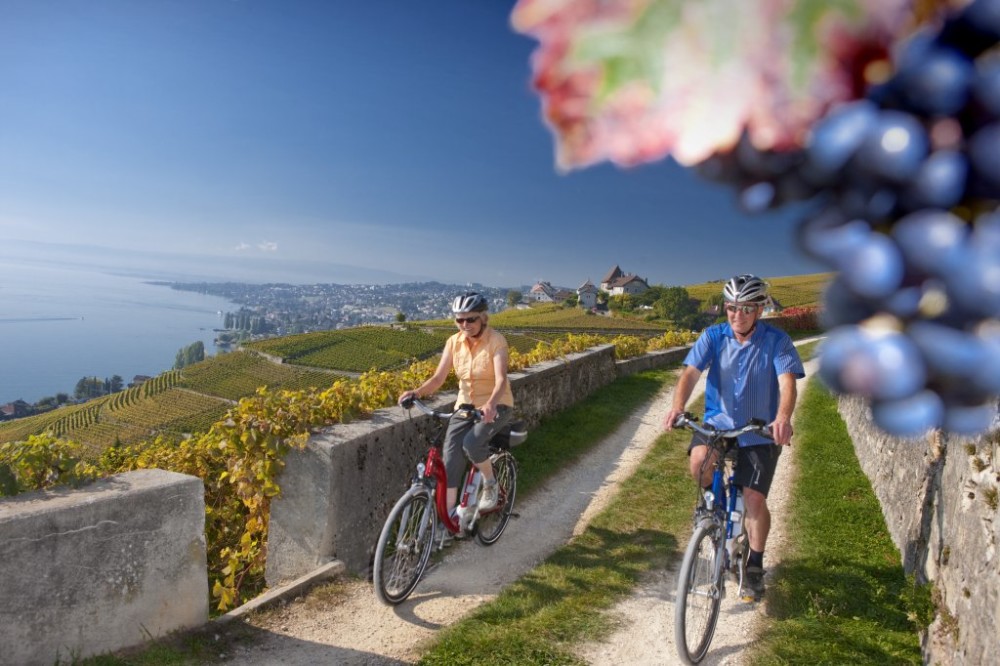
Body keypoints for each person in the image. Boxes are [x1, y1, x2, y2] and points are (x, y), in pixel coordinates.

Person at [663, 274, 804, 601]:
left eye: (745, 309)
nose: (737, 315)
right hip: (718, 425)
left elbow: (787, 383)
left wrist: (782, 418)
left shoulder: (777, 340)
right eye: (731, 308)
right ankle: (712, 514)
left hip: (759, 431)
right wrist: (678, 407)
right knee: (699, 463)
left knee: (754, 498)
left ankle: (754, 565)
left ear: (759, 310)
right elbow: (690, 373)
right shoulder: (713, 336)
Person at [398, 291, 514, 521]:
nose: (465, 324)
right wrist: (416, 393)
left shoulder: (496, 341)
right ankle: (450, 518)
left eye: (470, 319)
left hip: (496, 404)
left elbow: (501, 380)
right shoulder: (453, 342)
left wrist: (490, 405)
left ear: (483, 317)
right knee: (450, 458)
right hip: (465, 408)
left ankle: (490, 483)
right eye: (459, 320)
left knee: (472, 443)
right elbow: (438, 378)